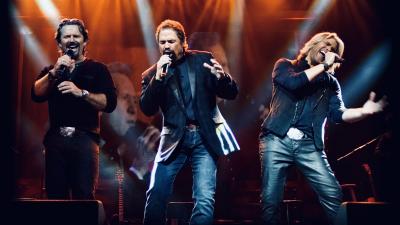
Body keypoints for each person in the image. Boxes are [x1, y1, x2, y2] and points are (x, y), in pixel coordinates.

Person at [258, 32, 387, 224]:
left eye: (335, 49)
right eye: (327, 44)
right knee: (271, 200)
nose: (330, 50)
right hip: (276, 140)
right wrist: (324, 66)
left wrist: (364, 111)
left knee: (332, 193)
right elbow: (294, 83)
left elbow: (339, 114)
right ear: (315, 45)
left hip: (309, 145)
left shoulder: (330, 83)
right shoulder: (285, 65)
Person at [140, 19, 239, 225]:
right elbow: (147, 108)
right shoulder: (151, 74)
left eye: (171, 41)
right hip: (173, 137)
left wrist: (222, 78)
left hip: (204, 137)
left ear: (183, 42)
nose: (166, 46)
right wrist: (157, 79)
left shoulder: (202, 60)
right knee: (157, 191)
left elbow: (231, 93)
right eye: (162, 42)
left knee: (204, 198)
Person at [31, 18, 117, 200]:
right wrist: (53, 73)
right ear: (59, 42)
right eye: (66, 36)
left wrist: (82, 93)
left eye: (76, 36)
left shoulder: (97, 69)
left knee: (84, 196)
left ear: (84, 41)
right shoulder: (51, 71)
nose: (71, 40)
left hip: (85, 139)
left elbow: (109, 103)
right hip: (56, 140)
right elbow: (36, 94)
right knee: (55, 197)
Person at [100, 62, 160, 222]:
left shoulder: (144, 135)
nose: (134, 109)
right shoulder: (91, 144)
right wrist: (139, 168)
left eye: (135, 100)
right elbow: (113, 204)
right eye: (126, 99)